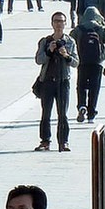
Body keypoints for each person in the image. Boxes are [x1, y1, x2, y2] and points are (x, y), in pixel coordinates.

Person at [34, 11, 79, 152]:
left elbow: (76, 62)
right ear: (52, 23)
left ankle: (63, 142)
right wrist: (49, 51)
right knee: (46, 113)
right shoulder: (45, 41)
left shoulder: (70, 42)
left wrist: (66, 55)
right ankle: (45, 141)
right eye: (56, 21)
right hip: (47, 81)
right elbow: (38, 60)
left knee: (63, 114)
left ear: (65, 23)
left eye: (61, 21)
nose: (59, 24)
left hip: (63, 81)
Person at [71, 5, 105, 123]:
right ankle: (91, 113)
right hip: (97, 62)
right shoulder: (101, 28)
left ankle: (81, 106)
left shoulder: (78, 29)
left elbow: (70, 41)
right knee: (94, 87)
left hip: (82, 61)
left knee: (81, 85)